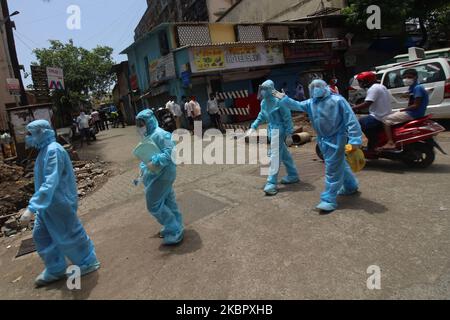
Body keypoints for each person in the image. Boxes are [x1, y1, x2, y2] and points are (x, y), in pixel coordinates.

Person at [19, 120, 100, 287]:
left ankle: (87, 260)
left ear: (41, 132)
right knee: (41, 236)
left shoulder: (53, 151)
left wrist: (32, 207)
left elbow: (50, 181)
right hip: (47, 205)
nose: (27, 137)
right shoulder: (44, 151)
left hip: (59, 203)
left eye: (30, 133)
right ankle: (55, 268)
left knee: (70, 235)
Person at [275, 79, 363, 212]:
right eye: (313, 86)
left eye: (318, 86)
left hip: (337, 139)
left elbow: (351, 119)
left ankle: (328, 199)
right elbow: (296, 105)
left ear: (325, 87)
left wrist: (355, 139)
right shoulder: (311, 103)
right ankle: (350, 186)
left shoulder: (338, 100)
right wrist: (283, 98)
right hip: (323, 140)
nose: (316, 89)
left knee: (332, 169)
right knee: (339, 164)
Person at [135, 109, 184, 245]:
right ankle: (177, 226)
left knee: (153, 204)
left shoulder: (161, 134)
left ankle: (173, 229)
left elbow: (170, 153)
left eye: (141, 123)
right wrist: (142, 172)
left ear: (149, 121)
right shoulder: (149, 135)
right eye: (138, 123)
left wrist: (155, 161)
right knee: (168, 201)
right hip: (157, 174)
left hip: (164, 174)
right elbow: (147, 155)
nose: (140, 126)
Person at [246, 79, 299, 196]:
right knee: (284, 154)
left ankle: (271, 183)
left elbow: (287, 117)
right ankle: (293, 174)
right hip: (271, 130)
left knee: (275, 156)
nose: (263, 92)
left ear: (270, 89)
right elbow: (261, 116)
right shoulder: (264, 103)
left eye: (264, 89)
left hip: (279, 131)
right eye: (262, 89)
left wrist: (289, 133)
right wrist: (253, 127)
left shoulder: (279, 101)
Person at [379, 69, 429, 150]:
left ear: (415, 77)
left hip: (414, 113)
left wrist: (403, 109)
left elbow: (416, 105)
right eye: (405, 77)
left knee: (385, 120)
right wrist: (406, 95)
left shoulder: (418, 88)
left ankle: (390, 142)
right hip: (414, 112)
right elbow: (411, 95)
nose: (407, 79)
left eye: (409, 77)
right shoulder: (413, 87)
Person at [353, 71, 392, 150]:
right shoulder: (380, 86)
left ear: (367, 81)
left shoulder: (373, 89)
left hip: (378, 117)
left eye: (361, 81)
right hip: (385, 114)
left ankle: (374, 143)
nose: (360, 84)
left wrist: (353, 108)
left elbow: (367, 103)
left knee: (361, 122)